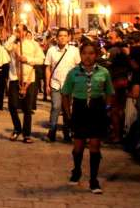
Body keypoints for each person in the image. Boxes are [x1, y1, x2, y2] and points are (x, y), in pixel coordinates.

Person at [61, 42, 114, 194]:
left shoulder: (103, 72)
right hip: (80, 108)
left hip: (97, 109)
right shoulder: (73, 73)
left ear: (96, 55)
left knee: (95, 145)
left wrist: (107, 109)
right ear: (81, 54)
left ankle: (93, 180)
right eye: (85, 53)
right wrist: (68, 113)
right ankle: (77, 170)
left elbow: (109, 91)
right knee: (78, 145)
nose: (88, 56)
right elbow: (65, 93)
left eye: (91, 53)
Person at [4, 24, 44, 143]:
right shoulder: (13, 44)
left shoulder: (33, 44)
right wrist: (14, 35)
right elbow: (5, 46)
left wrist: (28, 60)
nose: (19, 32)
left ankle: (27, 134)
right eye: (17, 30)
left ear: (26, 32)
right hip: (15, 78)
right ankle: (17, 129)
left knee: (27, 108)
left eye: (21, 30)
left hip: (28, 79)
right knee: (12, 106)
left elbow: (41, 59)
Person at [44, 28, 81, 142]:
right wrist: (47, 85)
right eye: (60, 35)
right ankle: (52, 131)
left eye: (65, 35)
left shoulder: (74, 51)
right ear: (57, 37)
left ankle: (67, 132)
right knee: (55, 107)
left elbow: (78, 67)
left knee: (67, 110)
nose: (63, 38)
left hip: (69, 85)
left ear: (69, 37)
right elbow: (48, 68)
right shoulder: (51, 50)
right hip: (55, 83)